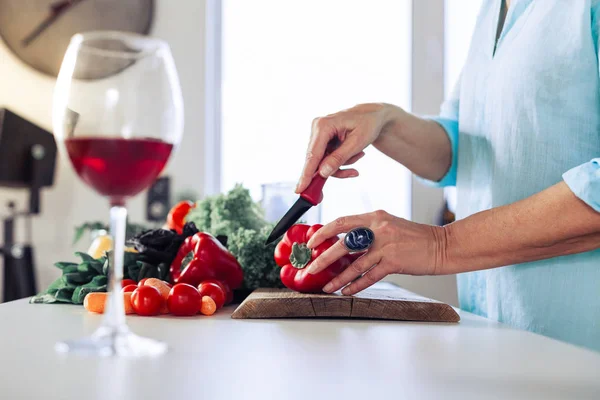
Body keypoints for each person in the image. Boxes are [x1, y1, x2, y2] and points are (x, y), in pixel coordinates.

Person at [296, 0, 600, 352]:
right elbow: (467, 150)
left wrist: (441, 245)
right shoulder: (493, 10)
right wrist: (385, 121)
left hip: (581, 347)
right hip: (496, 336)